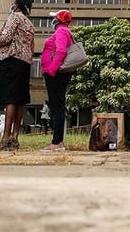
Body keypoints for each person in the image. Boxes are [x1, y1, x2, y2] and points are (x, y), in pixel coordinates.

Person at [0, 0, 35, 151]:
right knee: (20, 99)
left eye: (13, 2)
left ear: (16, 5)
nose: (12, 5)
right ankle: (15, 137)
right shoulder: (29, 23)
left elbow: (6, 37)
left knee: (10, 98)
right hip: (25, 62)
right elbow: (32, 46)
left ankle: (5, 138)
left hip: (12, 59)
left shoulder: (14, 16)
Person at [40, 10, 75, 152]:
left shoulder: (61, 32)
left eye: (54, 17)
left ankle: (57, 142)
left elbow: (61, 51)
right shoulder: (64, 31)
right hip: (58, 74)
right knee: (57, 105)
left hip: (56, 74)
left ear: (59, 20)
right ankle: (58, 141)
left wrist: (51, 70)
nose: (52, 20)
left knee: (56, 107)